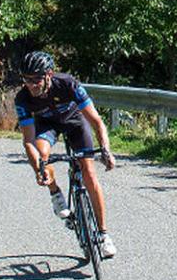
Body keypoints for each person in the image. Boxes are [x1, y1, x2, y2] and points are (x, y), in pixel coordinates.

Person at [14, 50, 118, 257]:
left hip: (74, 122)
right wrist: (39, 170)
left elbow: (97, 122)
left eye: (36, 79)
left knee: (88, 172)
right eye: (26, 79)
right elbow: (28, 141)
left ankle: (104, 234)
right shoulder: (23, 98)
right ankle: (55, 193)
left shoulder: (68, 84)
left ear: (48, 75)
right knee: (42, 154)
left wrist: (106, 149)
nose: (31, 85)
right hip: (46, 126)